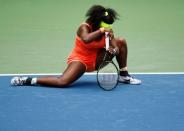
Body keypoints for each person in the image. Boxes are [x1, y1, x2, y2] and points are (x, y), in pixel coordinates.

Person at [11, 5, 141, 87]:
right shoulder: (84, 27)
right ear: (96, 22)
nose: (108, 27)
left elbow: (113, 43)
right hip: (80, 60)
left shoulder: (106, 29)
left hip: (97, 60)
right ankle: (28, 80)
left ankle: (124, 75)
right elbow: (86, 39)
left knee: (121, 41)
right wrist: (101, 31)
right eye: (105, 25)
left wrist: (114, 48)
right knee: (63, 82)